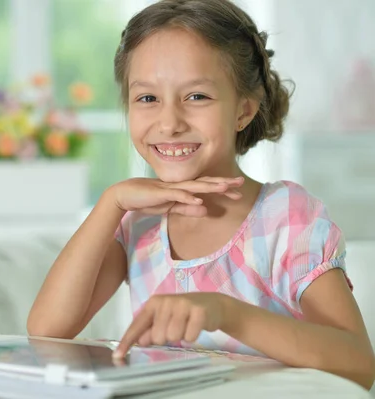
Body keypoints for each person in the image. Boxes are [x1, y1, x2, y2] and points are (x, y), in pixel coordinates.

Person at [27, 0, 375, 390]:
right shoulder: (137, 223)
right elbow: (47, 331)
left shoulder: (287, 218)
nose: (170, 122)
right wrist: (111, 202)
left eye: (197, 97)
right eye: (147, 98)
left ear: (243, 110)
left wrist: (227, 313)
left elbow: (359, 364)